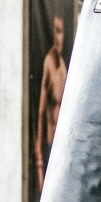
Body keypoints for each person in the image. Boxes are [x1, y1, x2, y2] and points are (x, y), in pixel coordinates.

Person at [35, 15, 69, 188]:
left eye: (60, 32)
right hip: (51, 139)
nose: (58, 37)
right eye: (55, 32)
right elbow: (42, 108)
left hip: (63, 142)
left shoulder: (63, 65)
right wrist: (39, 146)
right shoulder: (50, 61)